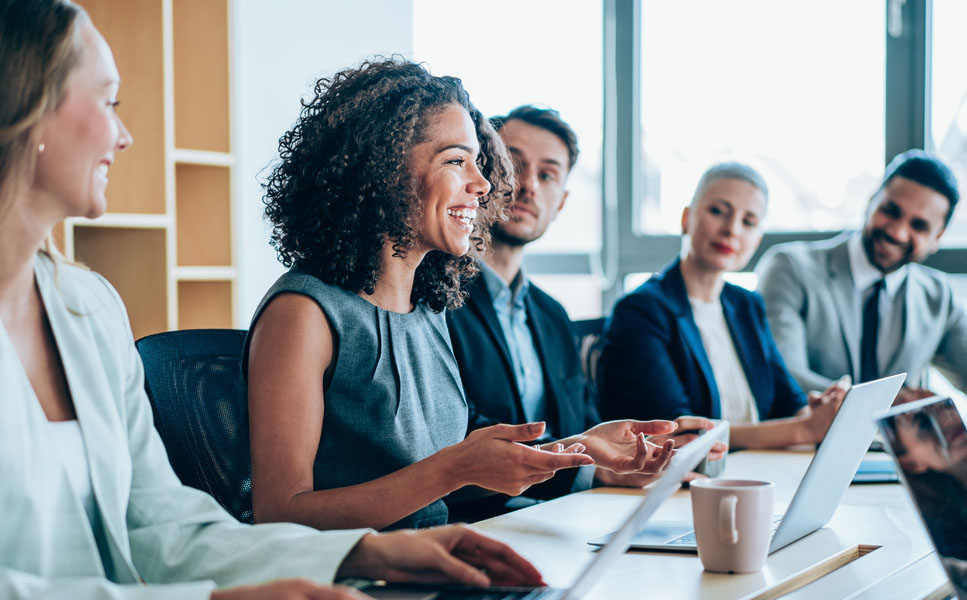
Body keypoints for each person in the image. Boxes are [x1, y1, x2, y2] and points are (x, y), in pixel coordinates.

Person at [0, 2, 549, 597]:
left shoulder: (90, 308)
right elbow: (279, 510)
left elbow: (165, 527)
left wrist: (371, 552)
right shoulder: (307, 311)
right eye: (108, 102)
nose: (125, 135)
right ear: (25, 106)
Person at [244, 60, 679, 534]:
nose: (484, 184)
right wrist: (453, 469)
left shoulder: (428, 309)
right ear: (384, 168)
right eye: (456, 161)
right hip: (361, 570)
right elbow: (280, 515)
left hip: (439, 555)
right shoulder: (303, 313)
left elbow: (451, 479)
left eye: (477, 161)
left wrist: (578, 448)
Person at [445, 106, 724, 520]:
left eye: (547, 175)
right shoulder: (439, 298)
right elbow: (454, 431)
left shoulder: (552, 315)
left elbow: (584, 425)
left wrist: (629, 458)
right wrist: (589, 468)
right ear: (483, 176)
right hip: (478, 520)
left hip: (561, 514)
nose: (528, 186)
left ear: (561, 203)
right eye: (513, 165)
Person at [597, 163, 848, 449]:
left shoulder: (747, 305)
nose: (732, 230)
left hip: (760, 466)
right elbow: (680, 433)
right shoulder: (640, 310)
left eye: (748, 222)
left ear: (757, 239)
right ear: (686, 218)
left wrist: (819, 413)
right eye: (718, 211)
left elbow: (789, 401)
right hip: (690, 473)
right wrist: (805, 430)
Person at [756, 150, 967, 403]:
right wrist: (888, 402)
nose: (898, 233)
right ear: (870, 202)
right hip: (804, 429)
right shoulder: (789, 268)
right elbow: (784, 377)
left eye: (918, 226)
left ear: (937, 238)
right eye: (891, 211)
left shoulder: (940, 296)